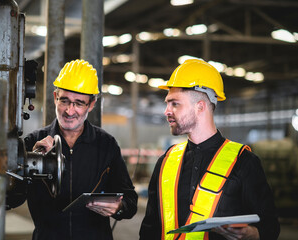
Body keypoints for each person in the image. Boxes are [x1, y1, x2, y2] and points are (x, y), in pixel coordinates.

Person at [139, 59, 280, 240]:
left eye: (175, 103)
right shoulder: (166, 161)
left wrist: (252, 234)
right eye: (167, 103)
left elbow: (271, 227)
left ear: (200, 106)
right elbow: (150, 228)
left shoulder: (244, 162)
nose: (166, 110)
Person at [15, 59, 138, 239]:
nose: (70, 111)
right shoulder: (34, 142)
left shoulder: (106, 145)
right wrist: (30, 163)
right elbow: (12, 197)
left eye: (79, 103)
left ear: (91, 104)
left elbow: (131, 201)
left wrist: (119, 207)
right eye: (64, 101)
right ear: (55, 96)